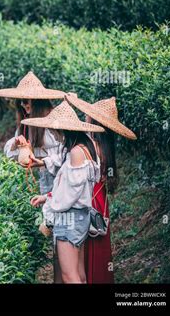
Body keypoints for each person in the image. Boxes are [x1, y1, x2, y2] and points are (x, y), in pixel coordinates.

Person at [0, 71, 66, 283]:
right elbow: (11, 151)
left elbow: (68, 155)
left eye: (27, 101)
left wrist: (43, 161)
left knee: (60, 233)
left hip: (61, 181)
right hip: (46, 180)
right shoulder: (27, 122)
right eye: (21, 102)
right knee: (54, 235)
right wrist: (17, 145)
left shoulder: (53, 120)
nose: (24, 106)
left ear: (39, 100)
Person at [24, 101, 105, 283]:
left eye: (53, 129)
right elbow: (72, 188)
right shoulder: (86, 146)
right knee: (79, 273)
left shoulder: (76, 152)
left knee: (69, 276)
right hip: (80, 216)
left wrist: (50, 209)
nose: (51, 133)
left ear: (62, 129)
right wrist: (47, 196)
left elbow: (68, 196)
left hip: (69, 218)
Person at [66, 94, 137, 284]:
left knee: (85, 245)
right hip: (100, 199)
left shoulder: (89, 146)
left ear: (94, 120)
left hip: (88, 197)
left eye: (89, 115)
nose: (86, 118)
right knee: (99, 244)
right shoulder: (106, 146)